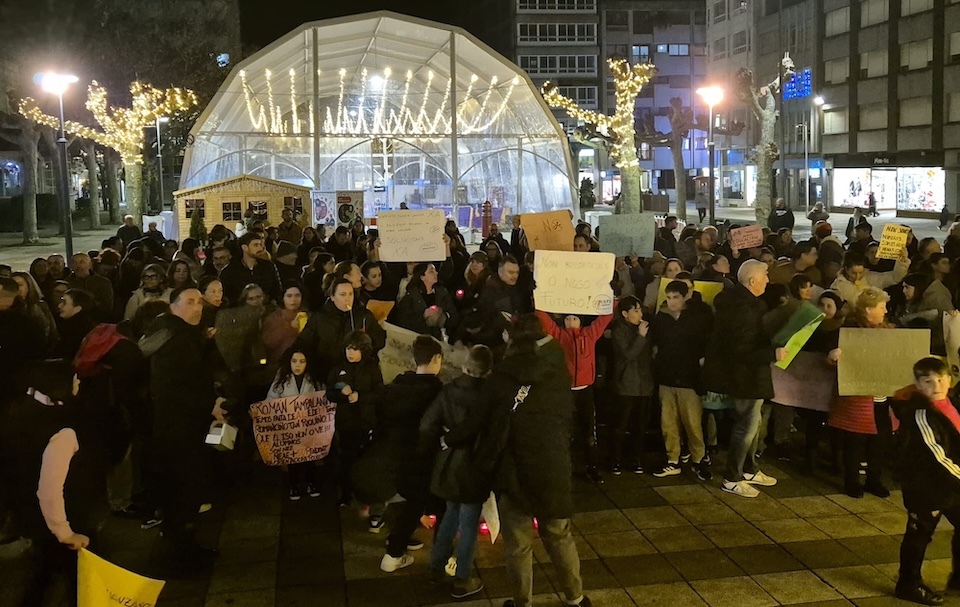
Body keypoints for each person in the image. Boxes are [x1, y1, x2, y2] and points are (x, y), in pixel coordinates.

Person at [474, 314, 591, 607]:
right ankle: (575, 598)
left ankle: (522, 601)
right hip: (552, 465)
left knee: (518, 543)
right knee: (559, 535)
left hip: (513, 469)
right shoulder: (555, 375)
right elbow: (568, 416)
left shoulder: (501, 378)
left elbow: (482, 420)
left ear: (510, 343)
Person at [141, 286, 227, 568]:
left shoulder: (184, 334)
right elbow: (170, 389)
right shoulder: (172, 339)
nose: (198, 307)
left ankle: (185, 547)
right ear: (172, 306)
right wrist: (209, 405)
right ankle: (179, 556)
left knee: (188, 492)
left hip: (187, 427)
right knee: (183, 492)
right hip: (178, 431)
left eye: (199, 302)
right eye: (189, 302)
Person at [703, 259, 786, 498]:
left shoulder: (740, 303)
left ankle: (749, 469)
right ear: (752, 281)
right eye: (765, 277)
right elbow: (741, 349)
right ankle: (732, 477)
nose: (768, 281)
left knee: (754, 422)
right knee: (746, 426)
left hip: (747, 375)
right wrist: (773, 353)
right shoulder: (745, 309)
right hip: (744, 376)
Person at [419, 344, 493, 599]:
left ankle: (435, 568)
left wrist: (440, 442)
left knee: (450, 513)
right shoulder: (490, 396)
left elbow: (427, 424)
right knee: (469, 522)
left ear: (465, 366)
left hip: (448, 463)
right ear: (487, 371)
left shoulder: (448, 391)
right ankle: (462, 577)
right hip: (475, 466)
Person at [370, 335, 445, 573]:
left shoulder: (396, 387)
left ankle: (400, 538)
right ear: (436, 359)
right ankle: (394, 552)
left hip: (394, 454)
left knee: (407, 500)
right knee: (420, 502)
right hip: (423, 457)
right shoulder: (436, 392)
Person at [891, 357, 960, 605]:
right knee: (919, 536)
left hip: (951, 485)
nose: (937, 385)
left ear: (950, 380)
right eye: (928, 381)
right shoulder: (921, 413)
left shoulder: (950, 404)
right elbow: (936, 455)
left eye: (941, 379)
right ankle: (908, 584)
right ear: (918, 385)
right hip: (926, 487)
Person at [534, 308, 614, 484]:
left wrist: (612, 299)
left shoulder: (589, 334)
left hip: (585, 391)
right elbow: (545, 320)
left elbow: (604, 318)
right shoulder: (560, 336)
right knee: (565, 431)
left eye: (574, 318)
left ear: (581, 321)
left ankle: (592, 467)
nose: (571, 321)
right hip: (566, 391)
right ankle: (565, 468)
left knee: (588, 431)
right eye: (568, 318)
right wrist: (538, 300)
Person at [650, 281, 713, 481]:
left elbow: (705, 344)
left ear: (685, 297)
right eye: (668, 297)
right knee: (668, 422)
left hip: (689, 378)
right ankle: (673, 460)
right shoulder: (661, 319)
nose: (671, 302)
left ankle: (698, 459)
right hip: (667, 377)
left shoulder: (698, 318)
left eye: (675, 297)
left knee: (692, 423)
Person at [327, 331, 383, 508]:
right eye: (348, 348)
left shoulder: (372, 369)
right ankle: (345, 493)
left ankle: (363, 494)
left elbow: (380, 393)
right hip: (346, 422)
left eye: (355, 349)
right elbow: (330, 393)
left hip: (366, 422)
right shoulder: (338, 369)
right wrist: (341, 395)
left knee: (364, 459)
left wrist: (361, 397)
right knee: (346, 459)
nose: (350, 353)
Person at [296, 277, 386, 382]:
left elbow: (379, 340)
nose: (347, 299)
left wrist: (364, 345)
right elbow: (305, 342)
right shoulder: (319, 317)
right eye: (343, 295)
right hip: (326, 374)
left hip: (359, 375)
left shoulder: (364, 316)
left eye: (350, 294)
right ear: (333, 297)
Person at [266, 348, 322, 500]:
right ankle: (294, 485)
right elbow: (271, 399)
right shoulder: (282, 378)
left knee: (310, 457)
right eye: (294, 361)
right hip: (289, 427)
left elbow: (323, 400)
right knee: (292, 458)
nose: (297, 365)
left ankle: (311, 482)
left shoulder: (314, 380)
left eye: (302, 362)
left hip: (309, 427)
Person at [608, 296, 655, 475]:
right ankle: (615, 459)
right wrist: (641, 337)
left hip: (644, 384)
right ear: (625, 314)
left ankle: (636, 459)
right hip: (626, 384)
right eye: (635, 311)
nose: (639, 314)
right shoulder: (619, 330)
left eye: (640, 310)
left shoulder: (645, 328)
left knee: (640, 425)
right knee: (621, 425)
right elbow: (628, 354)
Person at [395, 263, 460, 342]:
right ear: (422, 277)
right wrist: (423, 316)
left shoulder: (442, 293)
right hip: (418, 340)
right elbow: (403, 321)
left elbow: (454, 316)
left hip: (439, 339)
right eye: (431, 271)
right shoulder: (411, 297)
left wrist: (442, 318)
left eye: (435, 271)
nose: (436, 273)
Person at [831, 249, 909, 311]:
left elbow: (893, 277)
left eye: (860, 272)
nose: (857, 276)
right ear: (846, 269)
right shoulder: (837, 286)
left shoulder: (870, 277)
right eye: (854, 273)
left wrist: (902, 262)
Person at [219, 232, 283, 306]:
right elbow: (225, 296)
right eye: (256, 245)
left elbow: (277, 290)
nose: (260, 248)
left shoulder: (268, 266)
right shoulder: (230, 271)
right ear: (245, 248)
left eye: (261, 244)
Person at [261, 284, 307, 366]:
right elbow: (269, 342)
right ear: (283, 298)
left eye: (297, 296)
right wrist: (289, 327)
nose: (293, 299)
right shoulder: (274, 318)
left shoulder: (308, 316)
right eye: (289, 296)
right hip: (280, 363)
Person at [11, 271, 58, 348]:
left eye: (20, 285)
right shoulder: (7, 308)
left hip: (43, 349)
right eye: (13, 285)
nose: (17, 288)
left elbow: (52, 332)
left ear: (29, 286)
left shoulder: (41, 306)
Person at [66, 253, 114, 321]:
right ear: (71, 265)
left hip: (98, 320)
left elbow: (107, 305)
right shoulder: (67, 283)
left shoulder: (103, 282)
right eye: (75, 263)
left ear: (89, 265)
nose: (78, 265)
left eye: (82, 262)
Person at [53, 289, 98, 360]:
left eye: (64, 303)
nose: (59, 305)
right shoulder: (66, 324)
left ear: (77, 309)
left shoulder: (76, 330)